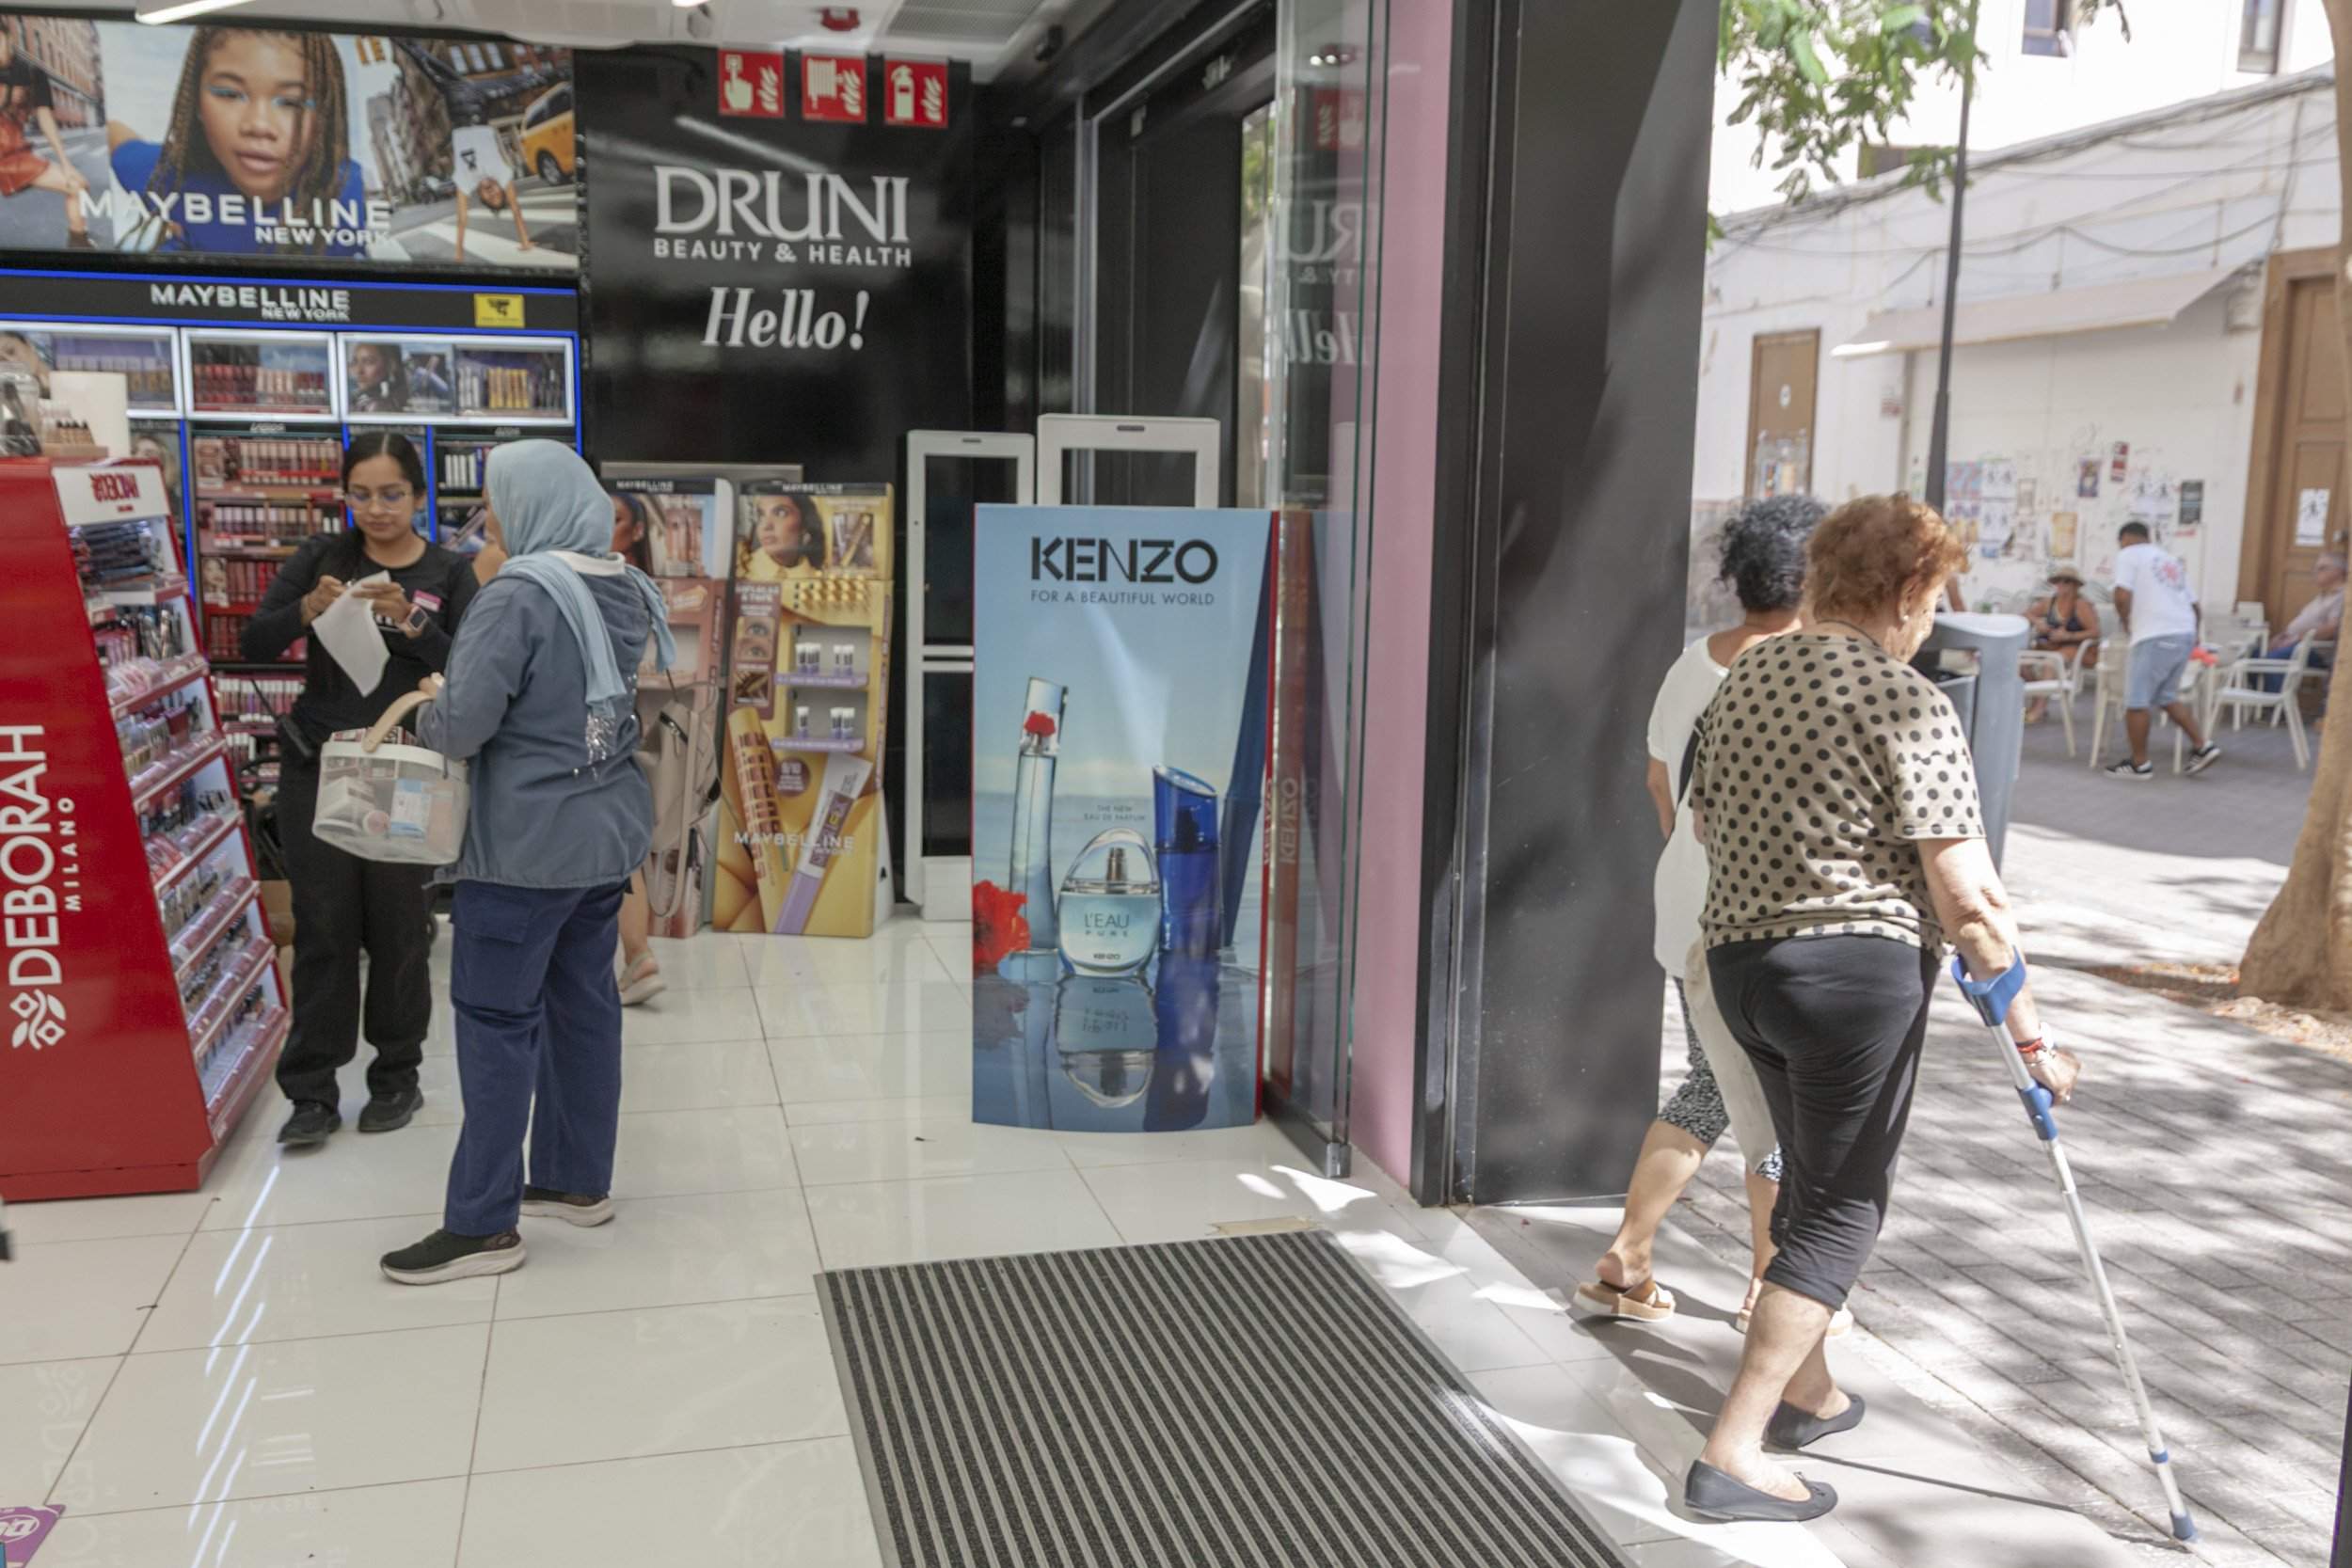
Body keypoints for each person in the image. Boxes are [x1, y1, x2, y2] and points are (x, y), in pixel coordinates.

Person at [1681, 496, 2082, 1524]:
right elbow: (1972, 900)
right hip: (1848, 976)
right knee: (1841, 1206)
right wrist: (2033, 1037)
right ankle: (1734, 1448)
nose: (1932, 617)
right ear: (1909, 589)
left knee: (1807, 1174)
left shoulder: (1742, 678)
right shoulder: (1902, 697)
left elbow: (1698, 811)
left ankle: (1809, 1393)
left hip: (1743, 965)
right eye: (1935, 595)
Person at [380, 441, 674, 1285]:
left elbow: (466, 723)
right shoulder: (621, 582)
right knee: (584, 1008)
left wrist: (430, 715)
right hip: (603, 835)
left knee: (495, 1022)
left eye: (498, 499)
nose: (490, 516)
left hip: (522, 847)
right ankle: (577, 1181)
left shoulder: (518, 594)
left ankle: (479, 1223)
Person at [1581, 496, 1831, 1336]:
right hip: (1759, 916)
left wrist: (1693, 857)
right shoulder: (1806, 668)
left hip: (1687, 901)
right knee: (1768, 1098)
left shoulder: (1694, 663)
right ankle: (1767, 1284)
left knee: (1710, 1087)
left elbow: (1661, 783)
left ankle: (1630, 1256)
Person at [242, 433, 477, 1146]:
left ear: (418, 495)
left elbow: (468, 665)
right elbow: (256, 642)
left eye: (392, 494)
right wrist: (306, 610)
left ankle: (395, 1075)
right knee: (323, 927)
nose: (377, 509)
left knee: (402, 927)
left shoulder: (450, 571)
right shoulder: (322, 559)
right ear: (346, 496)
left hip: (408, 767)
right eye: (362, 494)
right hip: (322, 766)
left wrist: (411, 619)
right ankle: (311, 1091)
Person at [109, 27, 366, 258]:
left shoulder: (351, 192)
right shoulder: (169, 175)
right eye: (229, 94)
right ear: (195, 104)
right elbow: (116, 136)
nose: (259, 125)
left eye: (292, 102)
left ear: (325, 113)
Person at [606, 489, 664, 1006]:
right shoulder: (639, 587)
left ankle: (636, 955)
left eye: (616, 518)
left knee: (619, 849)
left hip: (595, 737)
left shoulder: (615, 585)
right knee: (626, 849)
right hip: (621, 730)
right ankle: (639, 955)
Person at [2106, 522, 2220, 778]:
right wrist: (2195, 638)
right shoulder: (2170, 560)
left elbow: (2121, 595)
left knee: (2136, 701)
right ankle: (2203, 746)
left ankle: (2140, 764)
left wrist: (2127, 623)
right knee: (2166, 697)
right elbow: (2195, 605)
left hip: (2155, 634)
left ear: (2124, 539)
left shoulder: (2128, 554)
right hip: (2184, 632)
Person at [0, 28, 94, 249]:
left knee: (78, 185)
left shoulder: (32, 73)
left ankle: (79, 250)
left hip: (12, 155)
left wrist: (66, 164)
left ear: (9, 38)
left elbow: (45, 119)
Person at [2259, 550, 2344, 694]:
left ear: (2339, 572)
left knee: (2272, 661)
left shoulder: (2341, 596)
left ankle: (2276, 705)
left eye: (2322, 568)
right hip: (2296, 642)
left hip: (2314, 649)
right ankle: (2258, 701)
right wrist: (2283, 636)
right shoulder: (2323, 595)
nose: (2315, 572)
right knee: (2255, 654)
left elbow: (2332, 628)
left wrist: (2296, 638)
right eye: (2316, 568)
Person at [2023, 567, 2100, 722]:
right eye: (2059, 581)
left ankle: (2039, 708)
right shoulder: (2050, 601)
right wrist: (2038, 622)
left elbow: (2095, 632)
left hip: (2077, 647)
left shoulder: (2081, 604)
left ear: (2075, 585)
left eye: (2067, 582)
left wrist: (2068, 635)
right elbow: (2026, 614)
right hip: (2050, 645)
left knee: (2051, 663)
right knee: (2021, 662)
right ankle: (2039, 700)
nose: (2062, 585)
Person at [451, 123, 534, 262]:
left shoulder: (465, 182)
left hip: (458, 119)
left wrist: (459, 256)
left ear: (480, 196)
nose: (492, 194)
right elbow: (516, 209)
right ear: (502, 189)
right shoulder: (501, 173)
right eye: (498, 194)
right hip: (479, 117)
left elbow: (462, 219)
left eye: (489, 199)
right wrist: (524, 241)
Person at [737, 491, 824, 580]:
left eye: (780, 513)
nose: (765, 525)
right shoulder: (740, 569)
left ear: (804, 525)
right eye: (761, 515)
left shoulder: (820, 580)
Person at [347, 341, 406, 413]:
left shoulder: (379, 406)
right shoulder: (361, 399)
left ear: (390, 365)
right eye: (355, 362)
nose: (359, 371)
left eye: (369, 362)